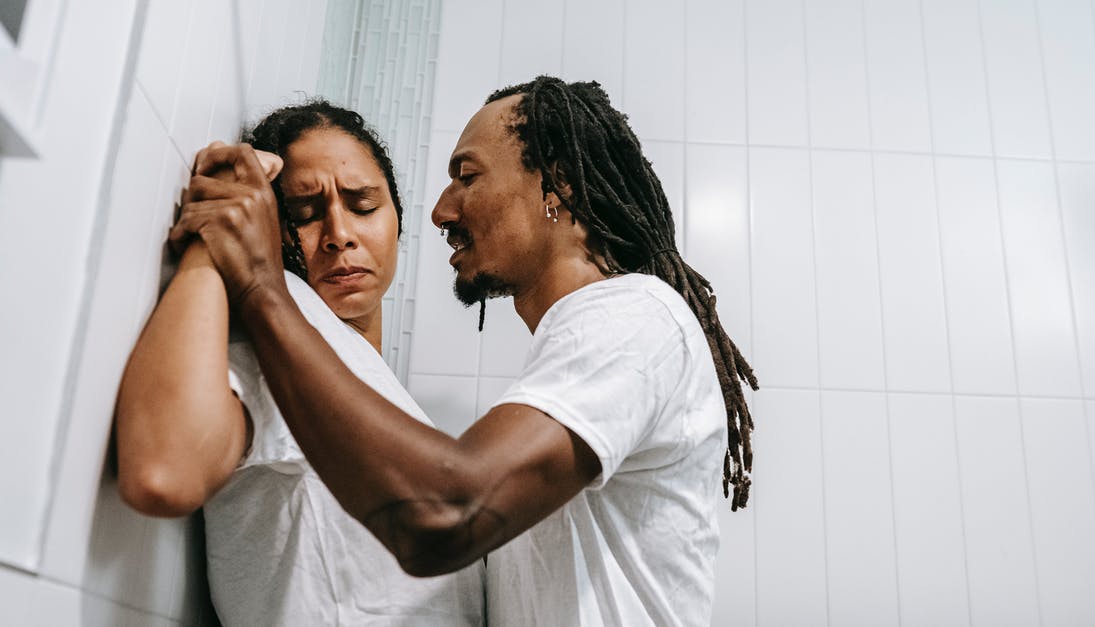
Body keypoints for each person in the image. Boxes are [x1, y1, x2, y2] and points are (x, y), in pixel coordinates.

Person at [174, 76, 758, 626]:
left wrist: (260, 285)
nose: (440, 212)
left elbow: (445, 512)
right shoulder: (584, 354)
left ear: (558, 184)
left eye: (467, 176)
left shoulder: (635, 316)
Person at [115, 100, 484, 626]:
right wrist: (219, 240)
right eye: (305, 215)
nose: (339, 234)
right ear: (272, 228)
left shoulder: (361, 372)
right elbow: (162, 472)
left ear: (397, 217)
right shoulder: (284, 320)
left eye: (362, 204)